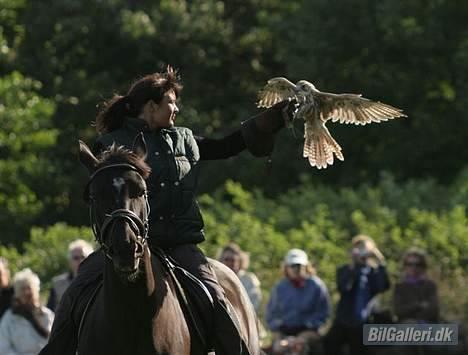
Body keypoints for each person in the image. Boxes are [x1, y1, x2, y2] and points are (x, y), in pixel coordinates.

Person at [46, 66, 297, 355]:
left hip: (180, 243)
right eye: (171, 102)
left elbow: (226, 146)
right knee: (75, 293)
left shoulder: (185, 139)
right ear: (151, 106)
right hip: (127, 243)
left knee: (217, 301)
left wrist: (269, 122)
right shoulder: (113, 143)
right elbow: (102, 190)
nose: (176, 108)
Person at [324, 235, 390, 355]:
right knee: (330, 342)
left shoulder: (374, 272)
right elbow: (344, 287)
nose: (362, 252)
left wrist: (380, 261)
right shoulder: (344, 270)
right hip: (344, 320)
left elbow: (382, 287)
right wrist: (353, 267)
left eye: (365, 249)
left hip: (366, 321)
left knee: (360, 345)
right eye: (359, 249)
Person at [266, 248, 330, 355]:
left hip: (309, 331)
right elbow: (271, 315)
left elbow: (323, 314)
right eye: (292, 266)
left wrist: (304, 335)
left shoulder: (317, 286)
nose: (296, 269)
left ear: (306, 266)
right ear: (286, 267)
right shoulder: (279, 287)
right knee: (278, 348)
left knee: (300, 347)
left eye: (299, 265)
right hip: (284, 331)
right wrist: (279, 337)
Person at [0, 268, 54, 355]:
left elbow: (57, 343)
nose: (27, 292)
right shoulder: (9, 319)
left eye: (29, 288)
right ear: (17, 294)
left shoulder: (47, 315)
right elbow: (4, 349)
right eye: (22, 289)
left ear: (36, 290)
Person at [394, 247, 439, 323]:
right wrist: (419, 305)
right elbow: (399, 312)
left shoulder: (430, 285)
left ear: (423, 266)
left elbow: (433, 310)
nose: (413, 268)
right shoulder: (400, 287)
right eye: (409, 264)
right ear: (405, 266)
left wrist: (411, 309)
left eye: (417, 264)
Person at [47, 239, 94, 311]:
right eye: (76, 258)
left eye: (83, 257)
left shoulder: (98, 283)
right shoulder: (58, 284)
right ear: (70, 261)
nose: (80, 261)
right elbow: (51, 311)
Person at [219, 243, 262, 312]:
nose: (230, 263)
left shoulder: (249, 279)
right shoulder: (217, 278)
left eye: (233, 260)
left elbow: (254, 304)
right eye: (227, 260)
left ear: (240, 261)